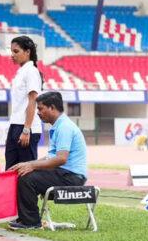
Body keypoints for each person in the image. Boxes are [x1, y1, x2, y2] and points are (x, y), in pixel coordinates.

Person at [8, 91, 88, 230]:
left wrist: (32, 165)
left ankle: (31, 222)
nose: (38, 112)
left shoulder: (64, 127)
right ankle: (26, 219)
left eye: (40, 108)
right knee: (24, 172)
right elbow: (51, 157)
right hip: (64, 174)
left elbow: (61, 159)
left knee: (27, 178)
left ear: (52, 108)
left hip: (72, 177)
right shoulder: (58, 126)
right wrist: (27, 164)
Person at [5, 35, 44, 170]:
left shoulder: (32, 72)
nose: (12, 55)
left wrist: (26, 129)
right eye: (11, 51)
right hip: (15, 125)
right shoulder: (21, 72)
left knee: (25, 173)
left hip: (26, 127)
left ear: (27, 52)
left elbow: (33, 100)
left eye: (16, 51)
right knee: (10, 170)